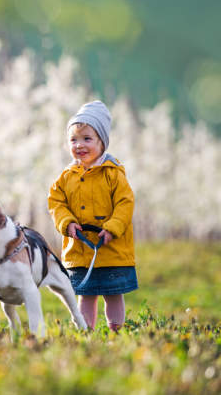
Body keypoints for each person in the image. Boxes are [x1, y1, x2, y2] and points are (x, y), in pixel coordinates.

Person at [48, 100, 137, 331]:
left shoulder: (112, 173)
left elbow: (124, 203)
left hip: (110, 248)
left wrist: (113, 227)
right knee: (85, 295)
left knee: (113, 293)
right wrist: (66, 223)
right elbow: (56, 203)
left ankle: (116, 330)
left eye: (87, 139)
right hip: (79, 249)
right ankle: (86, 332)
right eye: (74, 140)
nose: (79, 145)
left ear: (102, 142)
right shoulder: (66, 177)